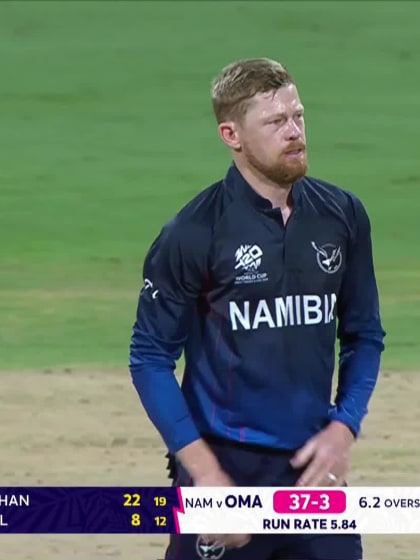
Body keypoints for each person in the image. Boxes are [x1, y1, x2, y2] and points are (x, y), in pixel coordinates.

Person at [129, 58, 385, 560]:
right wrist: (204, 473)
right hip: (225, 468)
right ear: (232, 134)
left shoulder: (342, 216)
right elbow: (149, 357)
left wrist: (344, 425)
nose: (295, 133)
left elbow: (364, 334)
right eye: (275, 122)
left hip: (313, 470)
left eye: (298, 117)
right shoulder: (193, 232)